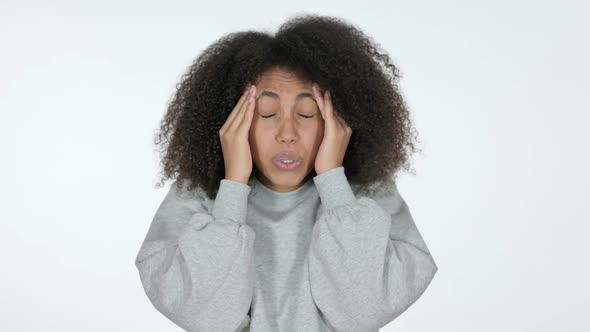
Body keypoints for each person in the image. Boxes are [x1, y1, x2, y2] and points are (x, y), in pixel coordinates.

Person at [134, 13, 438, 332]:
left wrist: (333, 179)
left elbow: (364, 313)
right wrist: (233, 186)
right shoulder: (197, 197)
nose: (287, 132)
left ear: (340, 120)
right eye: (267, 112)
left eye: (307, 113)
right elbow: (206, 319)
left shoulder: (366, 197)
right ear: (232, 119)